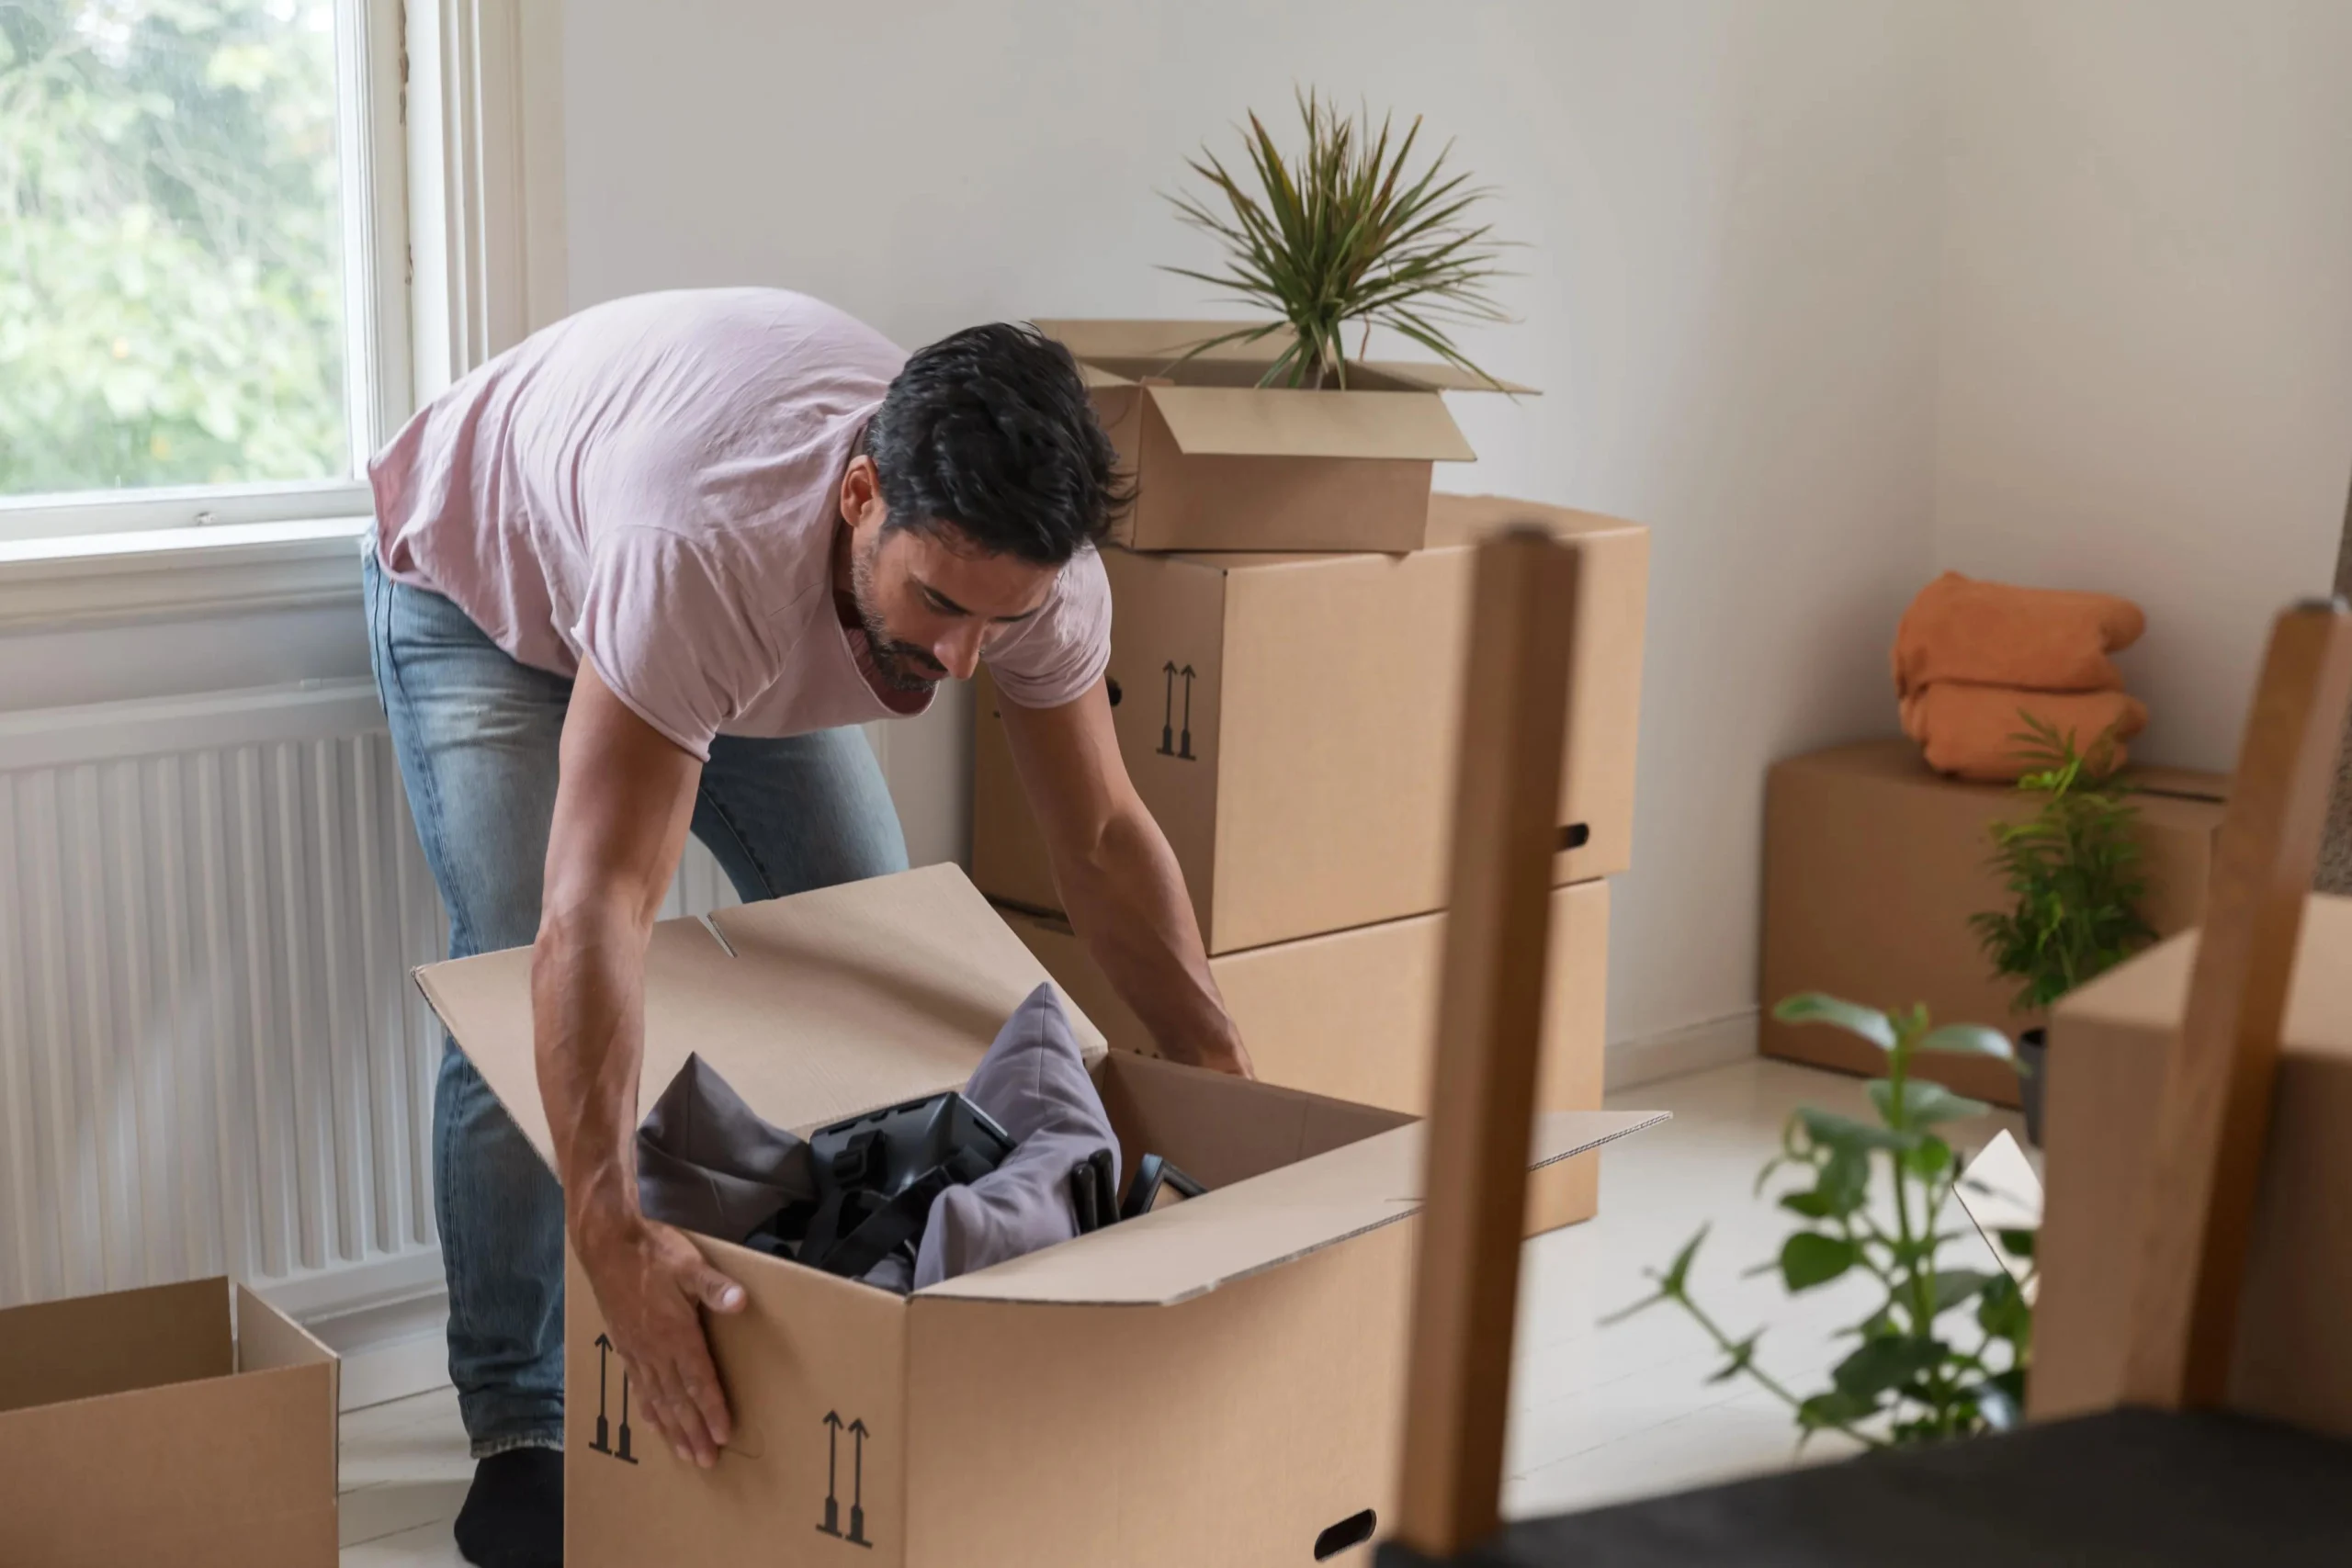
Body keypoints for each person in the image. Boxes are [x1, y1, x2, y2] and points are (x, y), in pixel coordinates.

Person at [363, 288, 1251, 1568]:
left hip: (715, 596)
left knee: (879, 935)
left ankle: (850, 1316)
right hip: (489, 586)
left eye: (997, 624)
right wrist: (607, 1227)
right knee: (510, 965)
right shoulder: (706, 550)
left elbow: (1103, 842)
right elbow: (597, 903)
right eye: (941, 603)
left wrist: (1224, 1085)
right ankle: (519, 1419)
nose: (960, 665)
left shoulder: (1031, 582)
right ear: (859, 500)